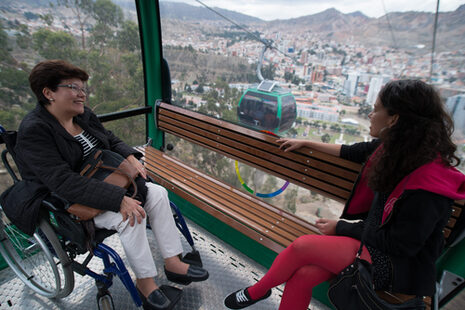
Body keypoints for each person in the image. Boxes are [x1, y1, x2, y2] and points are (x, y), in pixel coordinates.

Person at [224, 79, 465, 310]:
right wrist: (308, 142)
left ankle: (258, 291)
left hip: (400, 266)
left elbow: (401, 245)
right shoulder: (399, 150)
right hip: (374, 245)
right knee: (303, 276)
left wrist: (342, 228)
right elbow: (353, 151)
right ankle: (261, 291)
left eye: (375, 109)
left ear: (394, 119)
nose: (370, 115)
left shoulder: (428, 183)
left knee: (302, 246)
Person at [14, 60, 209, 310]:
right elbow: (63, 182)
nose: (81, 93)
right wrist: (118, 199)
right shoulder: (35, 131)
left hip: (105, 181)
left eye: (83, 87)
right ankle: (146, 284)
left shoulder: (82, 115)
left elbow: (110, 139)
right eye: (72, 87)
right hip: (73, 203)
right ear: (48, 93)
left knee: (158, 193)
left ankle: (173, 263)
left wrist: (130, 157)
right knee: (131, 214)